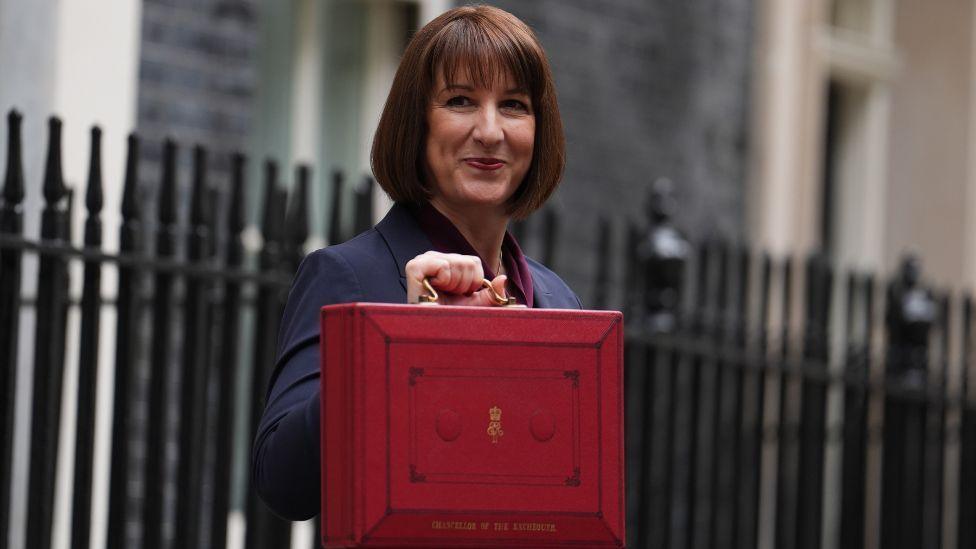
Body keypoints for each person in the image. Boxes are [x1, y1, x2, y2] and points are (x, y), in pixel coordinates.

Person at [252, 5, 582, 521]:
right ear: (417, 123)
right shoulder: (346, 275)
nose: (490, 130)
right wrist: (402, 340)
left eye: (514, 104)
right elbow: (282, 481)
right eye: (460, 100)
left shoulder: (559, 300)